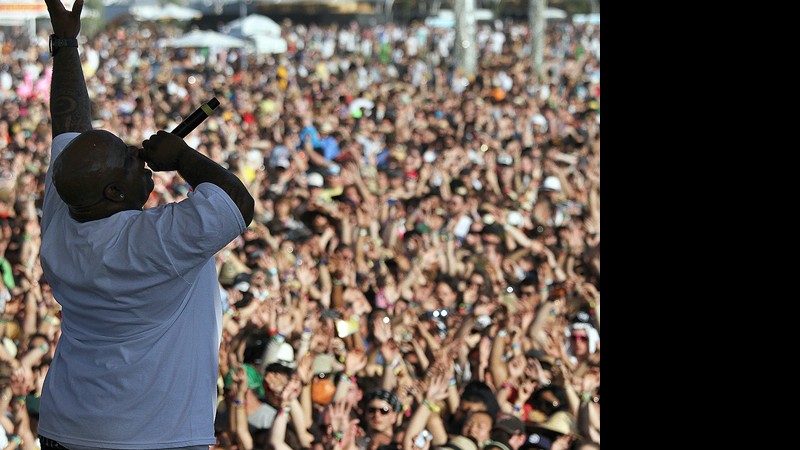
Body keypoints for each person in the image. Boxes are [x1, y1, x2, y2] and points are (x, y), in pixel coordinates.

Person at [36, 0, 254, 448]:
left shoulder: (67, 204)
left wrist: (66, 42)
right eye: (127, 160)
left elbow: (69, 119)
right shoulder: (151, 243)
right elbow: (236, 202)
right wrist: (182, 157)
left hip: (66, 426)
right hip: (154, 435)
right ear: (114, 194)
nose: (138, 154)